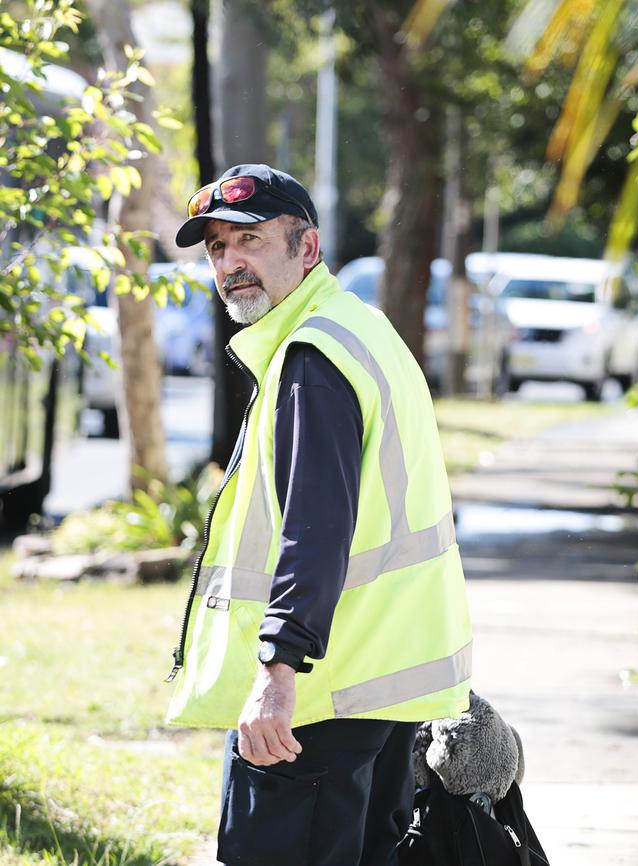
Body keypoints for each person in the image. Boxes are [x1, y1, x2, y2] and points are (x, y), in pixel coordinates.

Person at [166, 163, 472, 866]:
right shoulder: (359, 327)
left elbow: (317, 531)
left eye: (249, 241)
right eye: (216, 249)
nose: (231, 264)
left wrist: (277, 673)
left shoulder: (313, 357)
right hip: (381, 685)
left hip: (316, 700)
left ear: (307, 250)